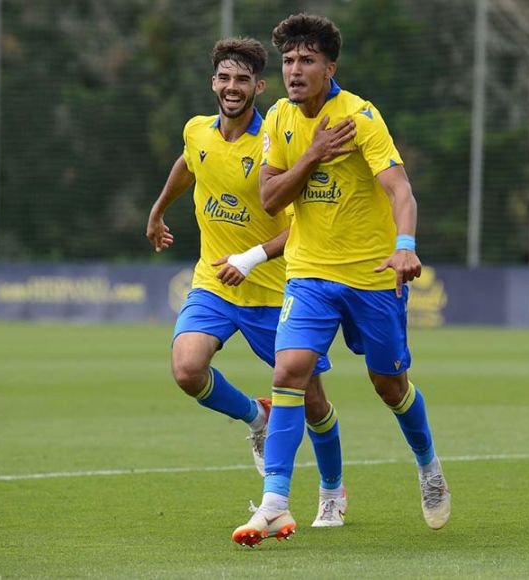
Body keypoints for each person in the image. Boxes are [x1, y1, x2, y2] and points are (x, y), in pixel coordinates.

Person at [232, 14, 451, 546]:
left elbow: (401, 191)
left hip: (371, 276)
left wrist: (405, 247)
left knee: (388, 386)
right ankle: (275, 503)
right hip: (308, 273)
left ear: (330, 67)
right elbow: (270, 198)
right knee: (290, 372)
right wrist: (311, 154)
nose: (294, 70)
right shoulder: (281, 118)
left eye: (307, 60)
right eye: (287, 61)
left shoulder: (361, 117)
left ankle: (428, 466)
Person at [145, 38, 348, 530]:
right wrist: (158, 210)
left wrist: (253, 258)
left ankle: (332, 492)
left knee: (313, 402)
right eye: (224, 78)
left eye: (242, 80)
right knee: (187, 370)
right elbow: (189, 163)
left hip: (276, 291)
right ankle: (257, 418)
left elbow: (303, 221)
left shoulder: (273, 141)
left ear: (259, 86)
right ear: (213, 82)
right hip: (214, 285)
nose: (232, 88)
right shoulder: (197, 131)